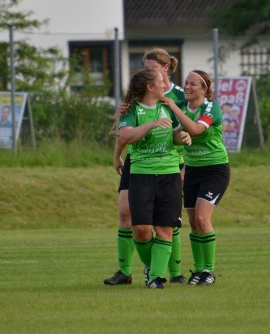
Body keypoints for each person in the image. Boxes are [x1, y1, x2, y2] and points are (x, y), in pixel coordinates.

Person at [104, 48, 186, 286]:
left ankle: (171, 273)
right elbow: (125, 135)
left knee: (167, 224)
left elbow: (185, 127)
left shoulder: (176, 97)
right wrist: (117, 156)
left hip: (170, 164)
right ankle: (129, 270)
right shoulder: (135, 104)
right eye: (145, 68)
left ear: (165, 68)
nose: (147, 71)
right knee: (129, 216)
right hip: (140, 166)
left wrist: (185, 147)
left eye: (152, 68)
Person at [162, 70, 230, 286]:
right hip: (192, 170)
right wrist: (179, 136)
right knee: (193, 222)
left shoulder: (211, 107)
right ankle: (199, 270)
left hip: (215, 170)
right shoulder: (183, 108)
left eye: (193, 84)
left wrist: (173, 108)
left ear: (204, 88)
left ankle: (209, 271)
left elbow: (196, 129)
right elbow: (177, 136)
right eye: (186, 83)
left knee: (202, 218)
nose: (188, 87)